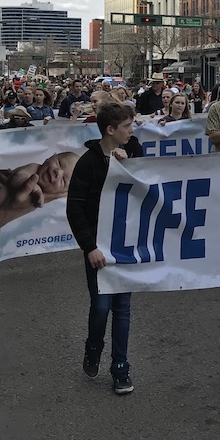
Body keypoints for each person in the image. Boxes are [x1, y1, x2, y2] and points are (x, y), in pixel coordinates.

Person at [67, 102, 143, 395]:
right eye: (127, 126)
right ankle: (93, 345)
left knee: (122, 308)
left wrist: (127, 166)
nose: (132, 130)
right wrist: (89, 247)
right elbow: (75, 209)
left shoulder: (133, 152)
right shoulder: (87, 163)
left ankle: (120, 368)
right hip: (98, 248)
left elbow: (144, 190)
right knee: (101, 307)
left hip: (125, 245)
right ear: (111, 130)